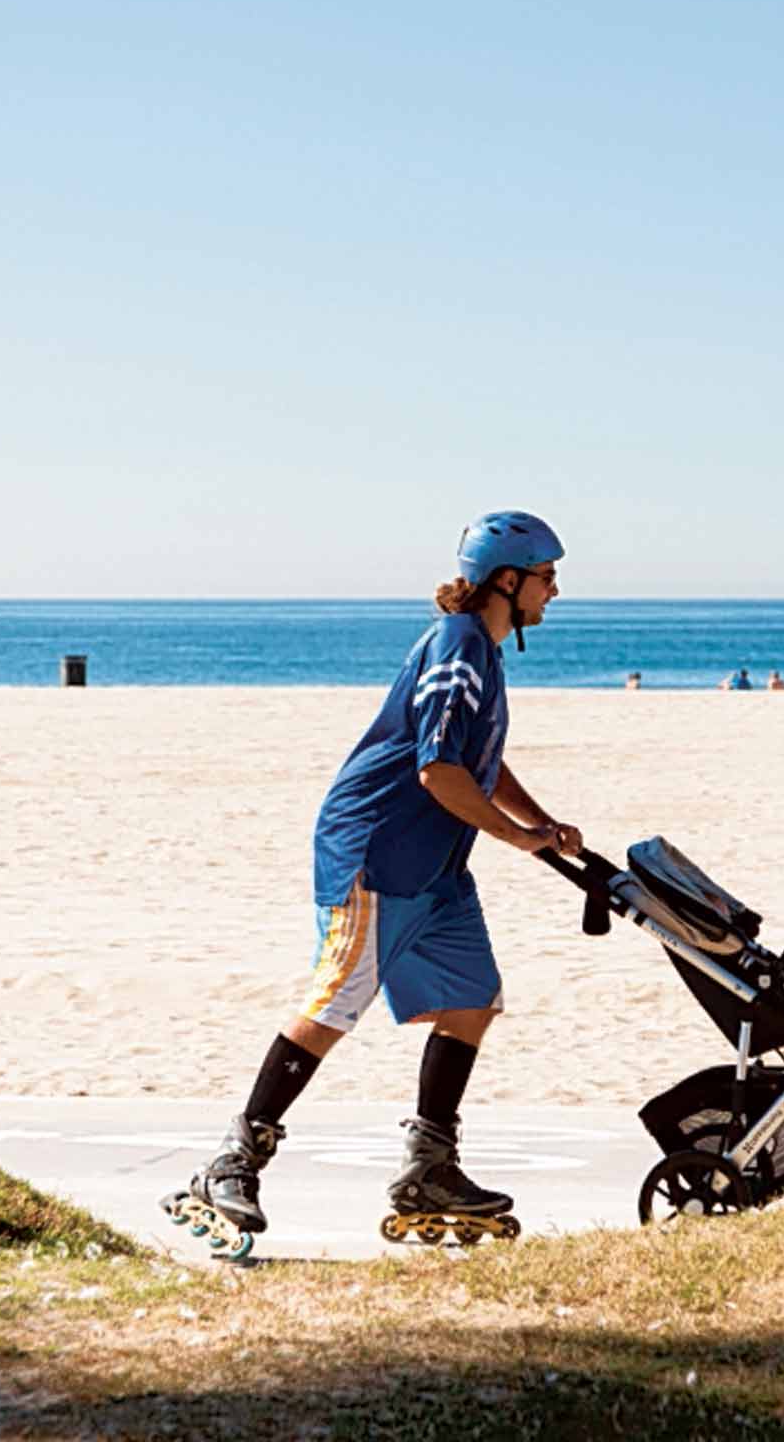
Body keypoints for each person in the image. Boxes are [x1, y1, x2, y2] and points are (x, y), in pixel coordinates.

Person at [164, 510, 581, 1247]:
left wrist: (540, 823)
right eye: (547, 577)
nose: (554, 591)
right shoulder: (457, 646)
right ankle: (233, 1159)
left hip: (437, 865)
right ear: (508, 581)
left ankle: (430, 1165)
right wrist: (517, 839)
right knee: (336, 1000)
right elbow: (438, 768)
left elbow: (479, 757)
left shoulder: (483, 652)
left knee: (472, 999)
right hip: (376, 853)